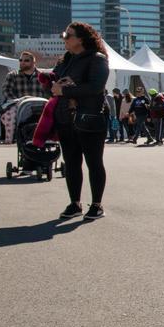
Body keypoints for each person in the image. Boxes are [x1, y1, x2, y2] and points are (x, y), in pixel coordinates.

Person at [52, 22, 110, 220]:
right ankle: (74, 203)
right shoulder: (65, 60)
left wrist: (66, 90)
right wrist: (53, 86)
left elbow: (96, 86)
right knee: (71, 162)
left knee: (94, 162)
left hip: (90, 117)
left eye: (68, 35)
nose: (64, 39)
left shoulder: (97, 58)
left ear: (81, 39)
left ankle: (96, 204)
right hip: (65, 117)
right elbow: (54, 86)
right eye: (64, 34)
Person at [1, 51, 46, 142]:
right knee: (9, 114)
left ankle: (51, 139)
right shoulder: (12, 75)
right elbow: (6, 91)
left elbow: (48, 92)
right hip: (19, 105)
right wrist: (17, 101)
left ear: (33, 62)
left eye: (26, 60)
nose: (22, 62)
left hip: (39, 106)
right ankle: (10, 140)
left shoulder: (42, 76)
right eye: (20, 60)